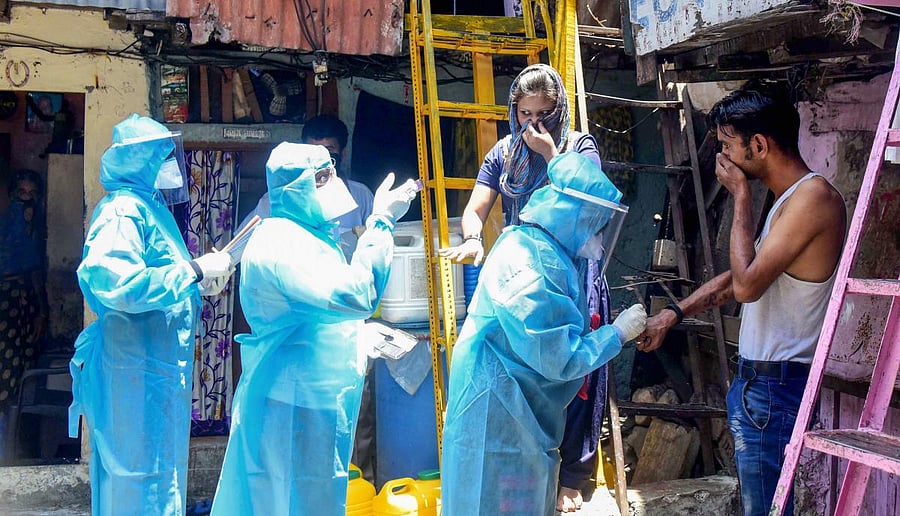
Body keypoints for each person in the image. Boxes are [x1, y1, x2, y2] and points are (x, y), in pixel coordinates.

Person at [636, 85, 846, 516]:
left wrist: (742, 197)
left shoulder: (814, 198)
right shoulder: (790, 200)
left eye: (729, 146)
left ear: (759, 145)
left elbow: (747, 286)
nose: (724, 158)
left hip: (777, 386)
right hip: (758, 385)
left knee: (766, 509)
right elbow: (738, 278)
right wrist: (674, 315)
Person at [438, 63, 611, 511]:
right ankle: (518, 473)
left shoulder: (577, 146)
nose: (532, 124)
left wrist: (553, 153)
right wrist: (473, 239)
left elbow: (589, 193)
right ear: (513, 110)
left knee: (575, 373)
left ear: (559, 112)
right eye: (523, 113)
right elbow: (476, 207)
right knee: (520, 374)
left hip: (574, 269)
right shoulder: (505, 153)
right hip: (525, 275)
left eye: (543, 113)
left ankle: (572, 474)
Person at [210, 143, 418, 515]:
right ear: (293, 188)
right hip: (290, 399)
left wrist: (353, 334)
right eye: (320, 178)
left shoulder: (310, 236)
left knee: (312, 499)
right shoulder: (281, 242)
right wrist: (382, 222)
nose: (332, 183)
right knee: (288, 501)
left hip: (311, 395)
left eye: (332, 172)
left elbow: (313, 315)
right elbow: (355, 295)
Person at [441, 151, 646, 515]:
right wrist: (617, 334)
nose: (599, 236)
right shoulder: (530, 262)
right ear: (573, 217)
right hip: (497, 410)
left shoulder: (549, 252)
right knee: (488, 500)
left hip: (519, 408)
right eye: (595, 224)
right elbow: (559, 357)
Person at [68, 114, 234, 515]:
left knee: (161, 475)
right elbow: (115, 283)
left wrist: (199, 282)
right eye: (162, 156)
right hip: (134, 371)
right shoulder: (123, 210)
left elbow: (162, 275)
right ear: (140, 160)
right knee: (136, 478)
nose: (171, 165)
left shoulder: (149, 208)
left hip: (154, 370)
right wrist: (192, 271)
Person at [237, 114, 374, 257]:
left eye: (328, 150)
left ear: (342, 153)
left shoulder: (361, 195)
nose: (320, 158)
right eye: (313, 151)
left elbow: (377, 245)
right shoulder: (280, 198)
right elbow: (244, 241)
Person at [0, 169, 48, 461]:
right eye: (22, 194)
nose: (27, 201)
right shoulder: (8, 227)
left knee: (21, 379)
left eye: (32, 195)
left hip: (26, 308)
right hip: (6, 305)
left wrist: (41, 312)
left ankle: (16, 449)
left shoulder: (36, 230)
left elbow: (35, 272)